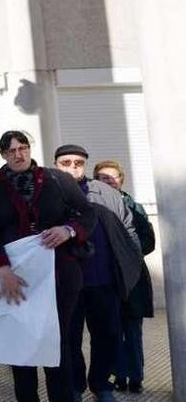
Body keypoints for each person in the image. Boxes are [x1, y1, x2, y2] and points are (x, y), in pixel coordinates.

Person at [0, 131, 97, 402]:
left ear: (30, 149)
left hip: (59, 274)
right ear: (3, 155)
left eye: (23, 148)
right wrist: (1, 269)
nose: (18, 154)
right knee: (21, 342)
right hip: (16, 278)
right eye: (11, 151)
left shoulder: (57, 179)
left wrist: (69, 230)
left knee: (58, 340)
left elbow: (87, 214)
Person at [54, 145, 142, 402]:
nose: (73, 167)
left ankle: (101, 384)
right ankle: (75, 386)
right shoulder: (48, 193)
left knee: (108, 336)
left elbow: (129, 230)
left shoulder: (105, 192)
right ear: (56, 164)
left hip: (103, 281)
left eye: (78, 162)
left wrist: (129, 266)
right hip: (66, 284)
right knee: (69, 339)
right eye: (66, 162)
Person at [94, 160, 156, 394]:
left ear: (121, 179)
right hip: (106, 279)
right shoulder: (92, 205)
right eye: (102, 177)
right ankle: (118, 375)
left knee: (132, 330)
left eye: (112, 176)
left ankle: (136, 377)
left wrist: (126, 251)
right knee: (111, 331)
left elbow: (148, 241)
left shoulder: (135, 207)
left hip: (133, 279)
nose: (108, 180)